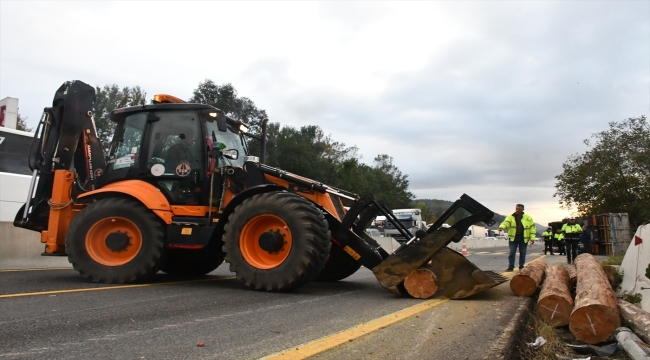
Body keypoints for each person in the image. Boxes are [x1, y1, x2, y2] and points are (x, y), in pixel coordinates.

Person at [499, 204, 536, 272]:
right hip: (513, 238)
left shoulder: (528, 218)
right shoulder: (510, 217)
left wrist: (532, 238)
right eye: (516, 209)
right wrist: (502, 227)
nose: (517, 210)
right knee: (512, 252)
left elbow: (532, 228)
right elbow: (505, 223)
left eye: (519, 209)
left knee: (523, 253)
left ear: (523, 210)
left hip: (523, 238)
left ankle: (521, 266)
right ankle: (510, 267)